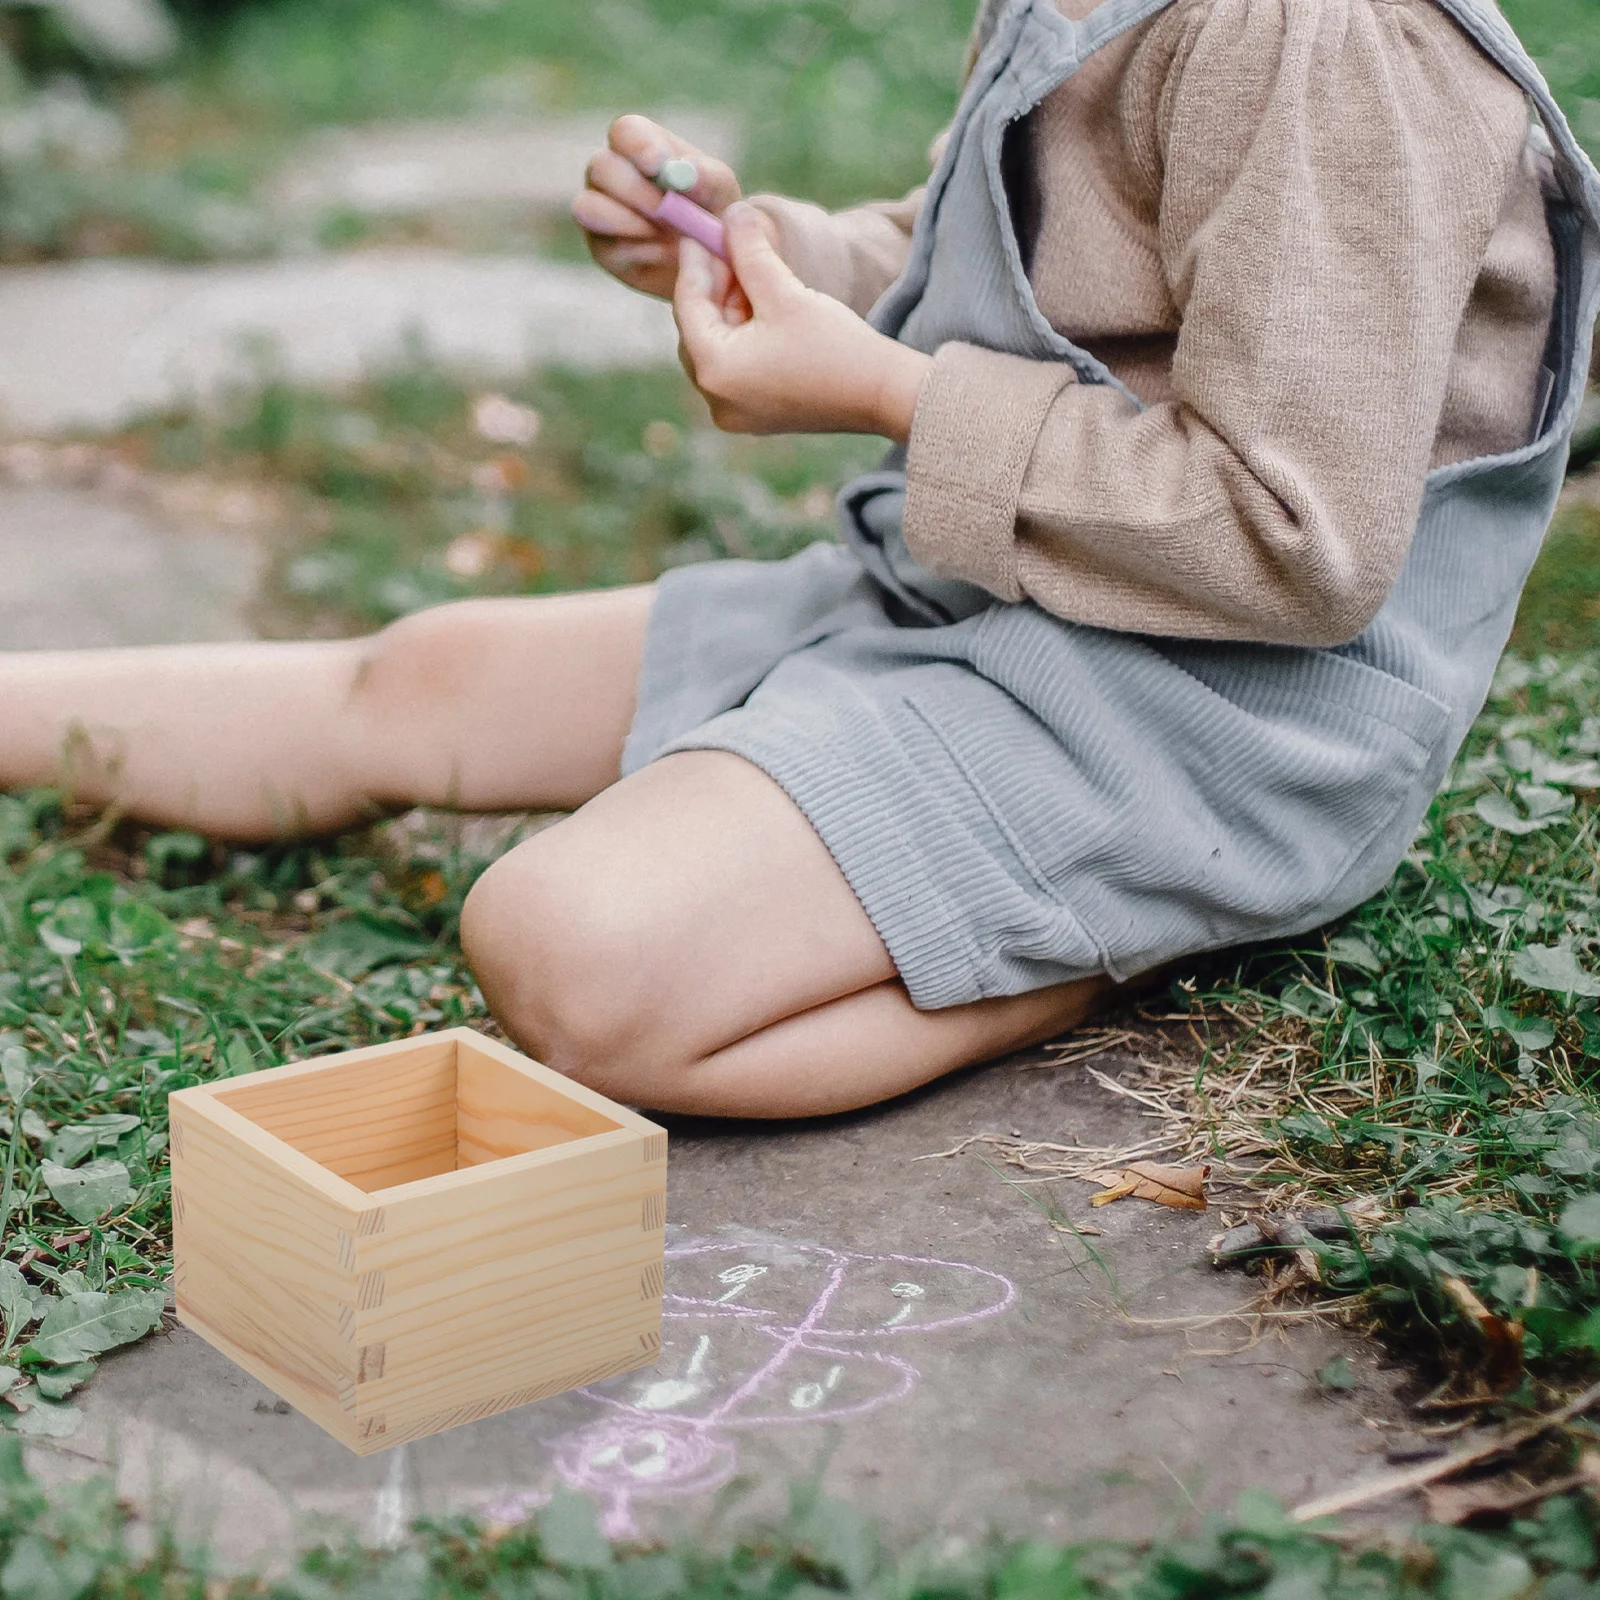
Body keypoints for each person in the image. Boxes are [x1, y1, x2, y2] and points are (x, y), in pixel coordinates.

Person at [3, 0, 1596, 1121]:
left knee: (571, 952)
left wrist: (880, 395)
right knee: (429, 676)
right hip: (995, 591)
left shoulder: (1318, 42)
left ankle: (1123, 936)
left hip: (1209, 716)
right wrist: (768, 250)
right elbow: (996, 256)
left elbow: (1293, 540)